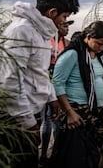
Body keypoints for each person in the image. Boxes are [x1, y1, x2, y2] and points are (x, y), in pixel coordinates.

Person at [0, 0, 79, 168]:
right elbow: (10, 82)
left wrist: (51, 97)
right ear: (52, 12)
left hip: (26, 112)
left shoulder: (41, 33)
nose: (64, 21)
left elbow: (39, 72)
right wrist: (28, 123)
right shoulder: (21, 31)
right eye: (64, 16)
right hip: (11, 118)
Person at [51, 20, 103, 168]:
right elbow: (57, 83)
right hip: (77, 110)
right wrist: (69, 113)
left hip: (97, 110)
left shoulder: (99, 56)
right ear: (88, 36)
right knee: (77, 151)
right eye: (99, 43)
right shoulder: (73, 54)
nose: (101, 48)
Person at [39, 20, 74, 166]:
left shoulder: (67, 43)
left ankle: (54, 154)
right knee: (47, 120)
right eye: (64, 25)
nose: (66, 28)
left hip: (59, 85)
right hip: (46, 83)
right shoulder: (47, 43)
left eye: (67, 26)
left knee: (56, 120)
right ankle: (44, 154)